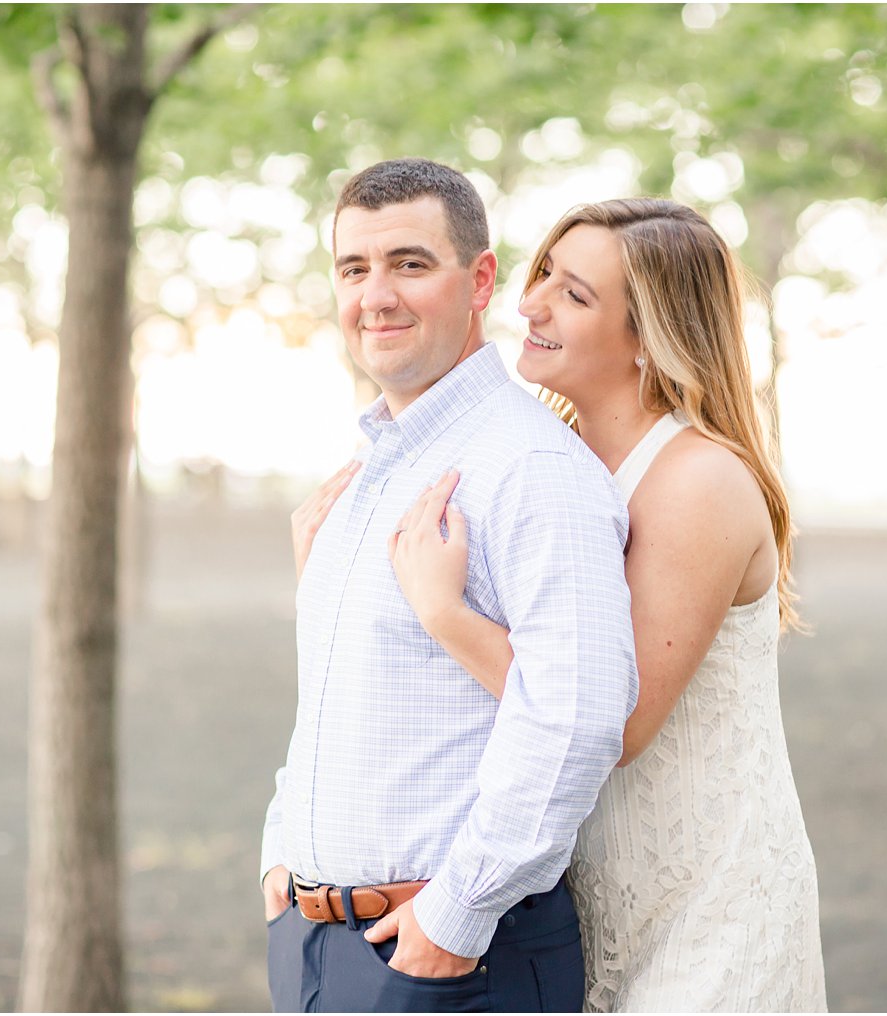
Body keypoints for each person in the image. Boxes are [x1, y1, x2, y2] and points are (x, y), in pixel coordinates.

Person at [388, 199, 828, 1011]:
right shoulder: (553, 461)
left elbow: (614, 724)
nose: (531, 303)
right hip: (581, 906)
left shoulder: (700, 481)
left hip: (710, 914)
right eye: (544, 274)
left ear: (649, 336)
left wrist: (445, 615)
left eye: (575, 295)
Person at [260, 159, 639, 1013]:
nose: (376, 294)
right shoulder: (363, 476)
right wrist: (280, 859)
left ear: (480, 281)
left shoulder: (531, 466)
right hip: (315, 947)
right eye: (354, 269)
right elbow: (329, 695)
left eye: (409, 263)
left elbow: (576, 713)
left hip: (452, 964)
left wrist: (456, 919)